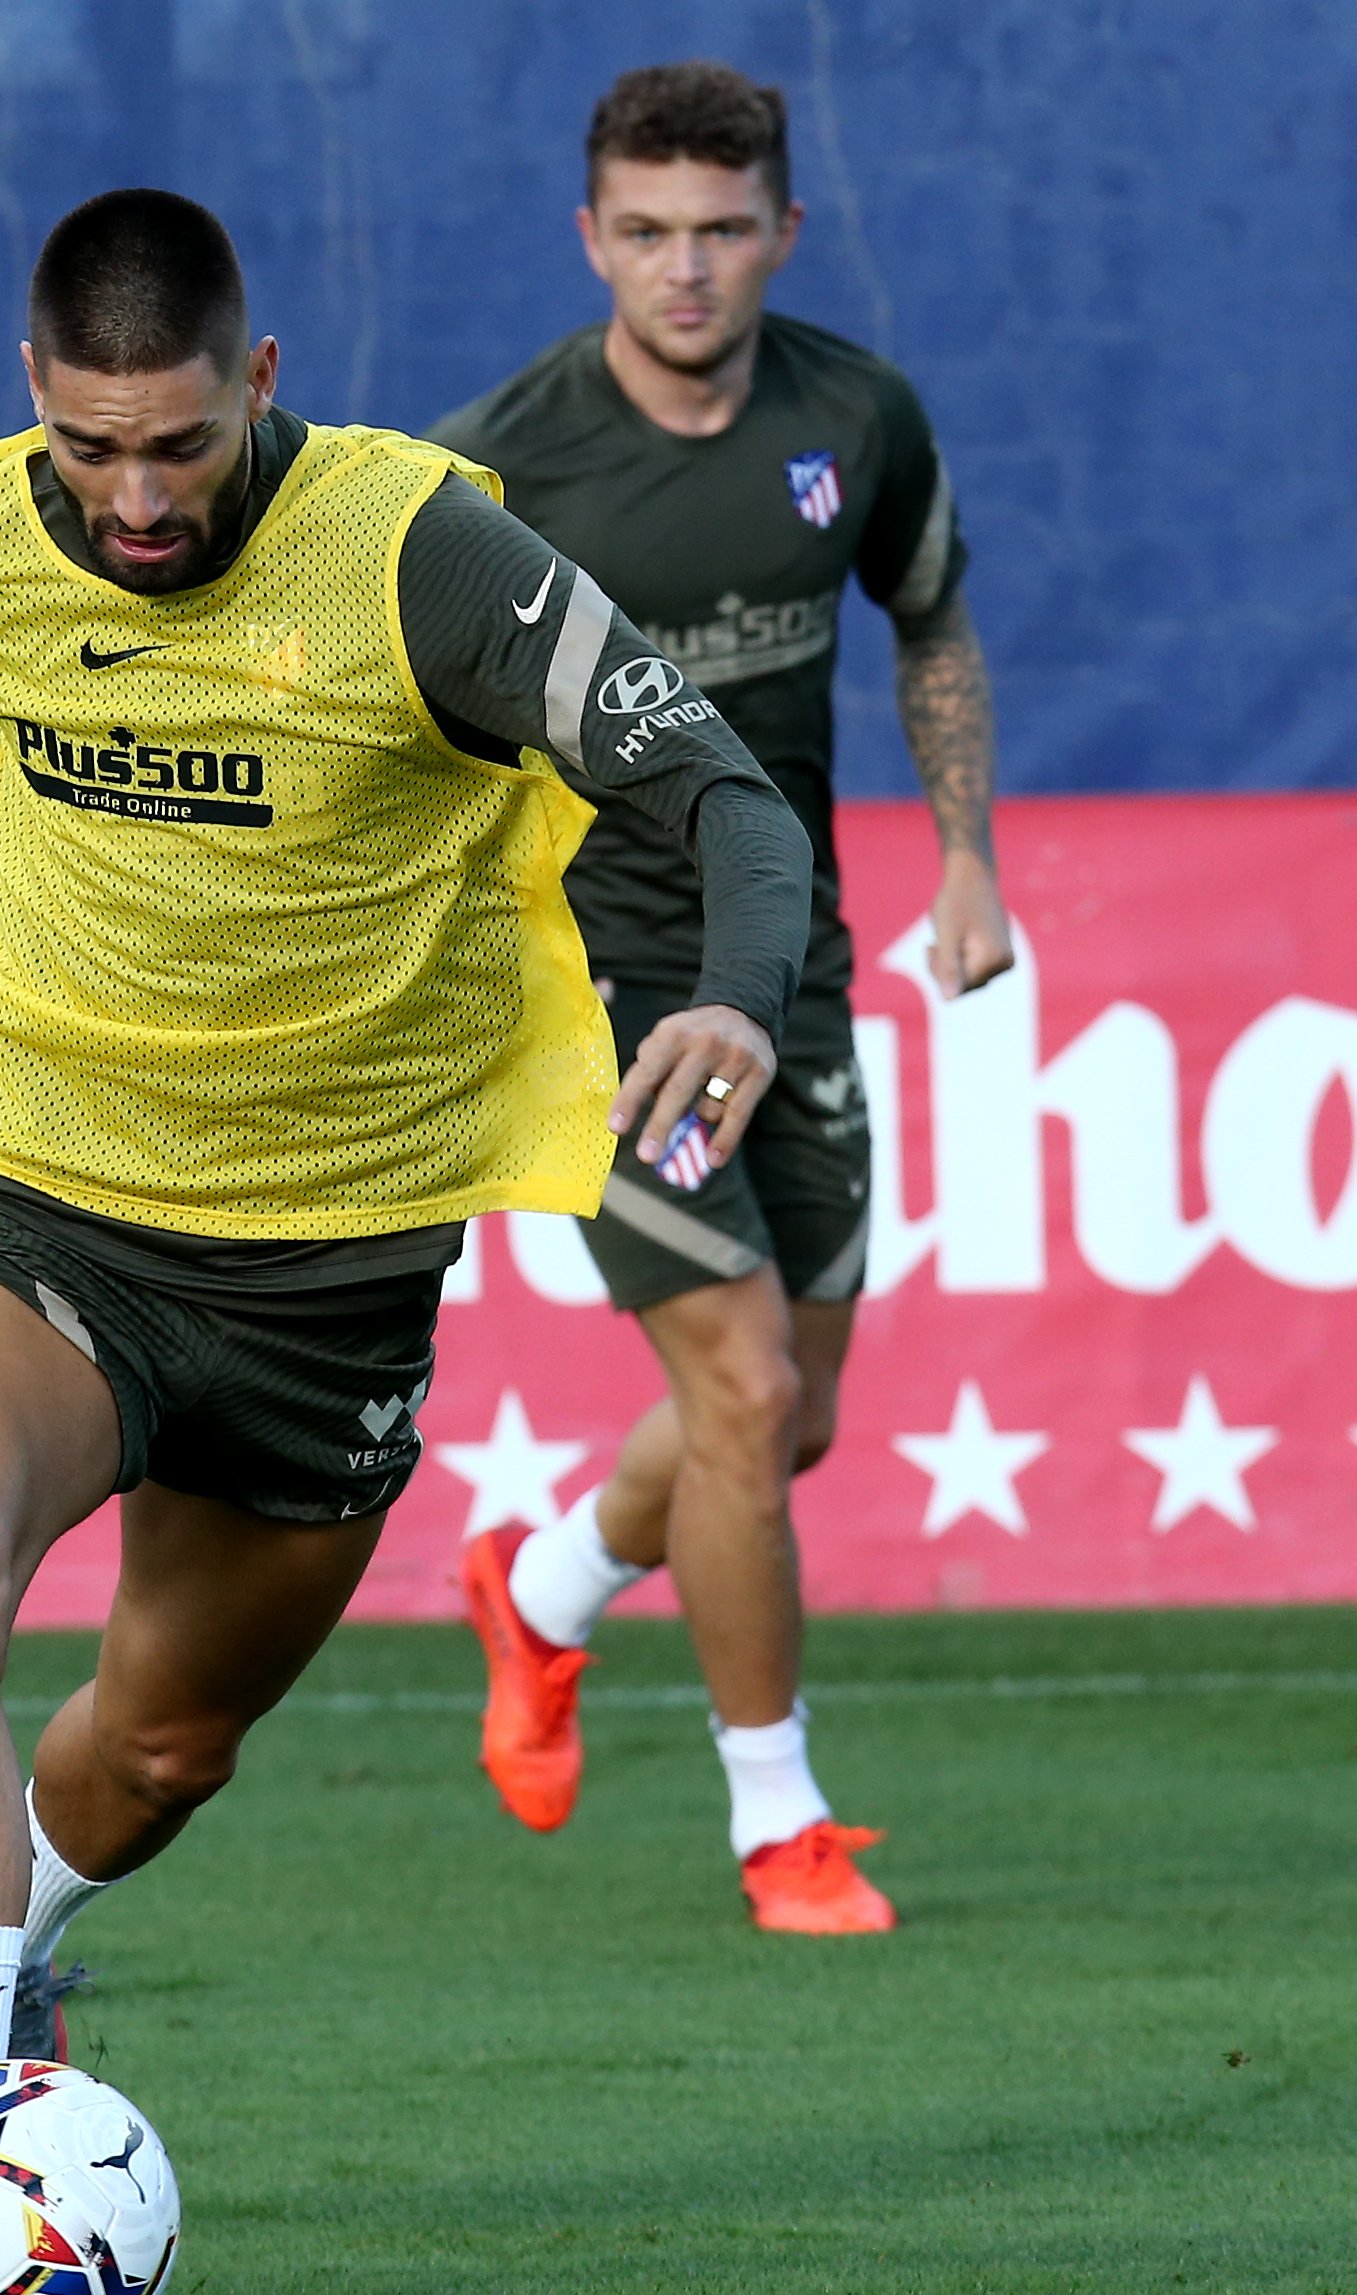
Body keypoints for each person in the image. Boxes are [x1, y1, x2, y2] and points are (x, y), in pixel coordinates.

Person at [0, 186, 815, 2295]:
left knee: (159, 1748)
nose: (131, 498)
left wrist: (743, 997)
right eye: (89, 449)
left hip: (329, 1270)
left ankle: (17, 1987)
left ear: (257, 388)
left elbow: (717, 792)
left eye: (177, 446)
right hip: (29, 1180)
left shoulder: (421, 560)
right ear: (34, 404)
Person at [431, 61, 1015, 1932]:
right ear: (591, 235)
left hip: (797, 975)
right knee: (748, 1392)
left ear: (782, 230)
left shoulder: (860, 414)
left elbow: (926, 621)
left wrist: (971, 861)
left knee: (796, 1419)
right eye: (648, 233)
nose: (686, 270)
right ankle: (783, 1824)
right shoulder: (500, 467)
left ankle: (543, 1595)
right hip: (599, 999)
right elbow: (401, 715)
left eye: (722, 231)